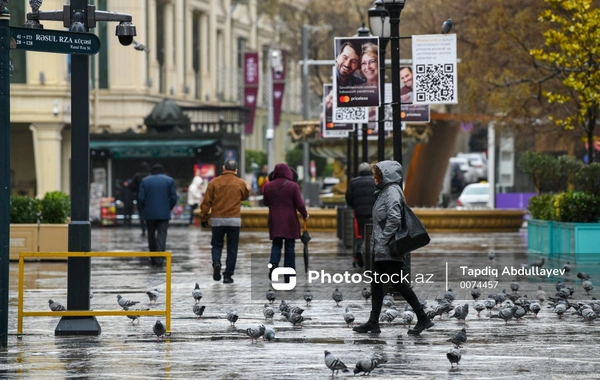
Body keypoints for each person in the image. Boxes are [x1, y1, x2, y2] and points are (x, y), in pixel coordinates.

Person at [353, 160, 434, 335]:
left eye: (378, 175)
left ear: (386, 176)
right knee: (377, 284)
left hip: (388, 249)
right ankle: (373, 322)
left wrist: (382, 239)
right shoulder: (385, 192)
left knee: (398, 284)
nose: (375, 178)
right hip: (382, 250)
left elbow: (394, 217)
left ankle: (423, 318)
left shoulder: (391, 192)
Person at [199, 160, 250, 284]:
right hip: (234, 220)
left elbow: (206, 202)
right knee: (232, 248)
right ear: (236, 169)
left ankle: (216, 262)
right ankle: (228, 275)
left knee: (216, 245)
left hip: (217, 220)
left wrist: (203, 217)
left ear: (223, 168)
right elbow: (245, 196)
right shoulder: (240, 183)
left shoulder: (213, 183)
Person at [263, 164, 308, 280]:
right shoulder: (293, 186)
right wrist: (305, 215)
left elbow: (265, 202)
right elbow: (300, 204)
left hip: (275, 219)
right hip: (290, 220)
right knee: (290, 247)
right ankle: (289, 275)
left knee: (276, 244)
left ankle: (273, 263)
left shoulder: (268, 186)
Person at [138, 164, 178, 267]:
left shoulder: (145, 181)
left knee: (151, 235)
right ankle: (160, 258)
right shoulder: (169, 180)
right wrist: (168, 208)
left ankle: (153, 257)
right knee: (162, 235)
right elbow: (174, 198)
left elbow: (141, 198)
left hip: (149, 214)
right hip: (164, 214)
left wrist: (145, 209)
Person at [345, 162, 376, 268]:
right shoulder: (375, 181)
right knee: (374, 235)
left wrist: (355, 206)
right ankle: (367, 254)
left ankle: (359, 251)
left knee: (361, 234)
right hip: (374, 213)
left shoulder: (353, 182)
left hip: (359, 214)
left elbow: (348, 197)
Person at [131, 162, 150, 236]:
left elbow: (132, 187)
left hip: (139, 197)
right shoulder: (149, 176)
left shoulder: (137, 176)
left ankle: (143, 229)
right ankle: (149, 228)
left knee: (141, 214)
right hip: (148, 198)